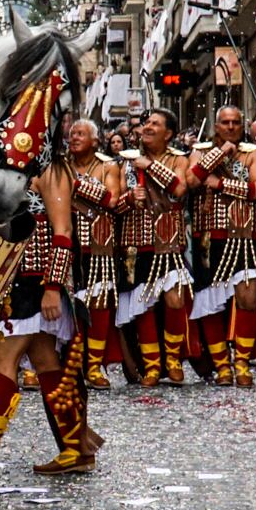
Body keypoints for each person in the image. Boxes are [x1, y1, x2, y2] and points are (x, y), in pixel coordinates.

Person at [0, 158, 94, 476]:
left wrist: (53, 286)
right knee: (46, 361)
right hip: (17, 281)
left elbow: (63, 234)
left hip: (38, 284)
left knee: (3, 357)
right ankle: (76, 450)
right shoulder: (16, 174)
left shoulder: (54, 172)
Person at [187, 106, 256, 387]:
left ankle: (242, 362)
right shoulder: (200, 151)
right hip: (208, 236)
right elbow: (192, 180)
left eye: (235, 122)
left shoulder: (252, 154)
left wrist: (221, 184)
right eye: (225, 122)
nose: (231, 127)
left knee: (248, 298)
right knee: (210, 304)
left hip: (243, 235)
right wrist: (219, 154)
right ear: (216, 126)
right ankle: (222, 365)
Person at [114, 109, 191, 386]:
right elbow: (115, 204)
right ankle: (152, 365)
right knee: (142, 306)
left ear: (168, 133)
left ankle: (172, 359)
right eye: (146, 123)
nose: (147, 127)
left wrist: (150, 166)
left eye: (154, 124)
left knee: (175, 300)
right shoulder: (125, 162)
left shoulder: (179, 159)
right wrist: (128, 198)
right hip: (137, 240)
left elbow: (180, 189)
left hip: (169, 240)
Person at [66, 119, 123, 389]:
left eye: (81, 134)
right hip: (67, 241)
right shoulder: (60, 165)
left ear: (95, 140)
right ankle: (73, 365)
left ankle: (94, 366)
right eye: (72, 133)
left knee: (99, 303)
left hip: (99, 243)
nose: (74, 137)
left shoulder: (107, 165)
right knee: (69, 307)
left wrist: (74, 185)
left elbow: (111, 199)